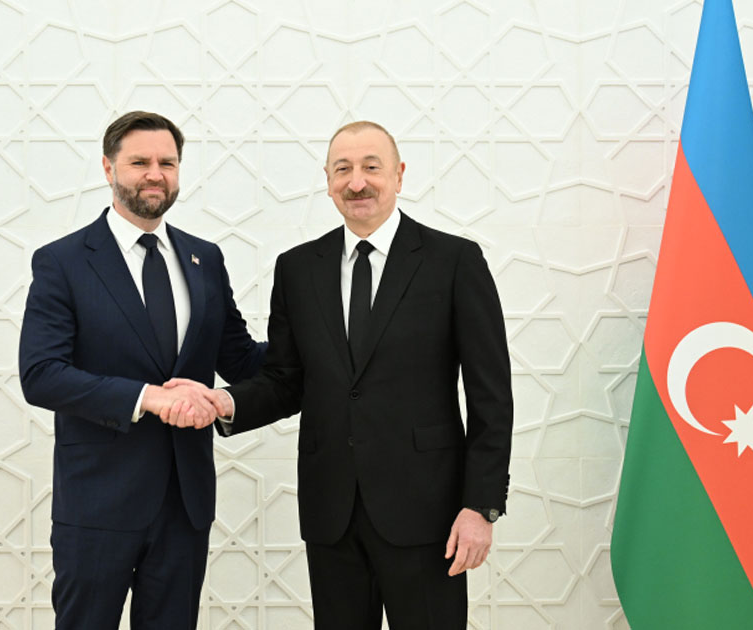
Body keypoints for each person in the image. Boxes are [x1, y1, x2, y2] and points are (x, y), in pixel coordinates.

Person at [166, 121, 513, 629]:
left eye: (372, 167)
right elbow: (287, 379)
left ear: (399, 174)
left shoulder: (454, 261)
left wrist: (481, 506)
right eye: (343, 169)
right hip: (332, 511)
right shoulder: (297, 268)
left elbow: (491, 397)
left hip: (428, 512)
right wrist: (226, 402)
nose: (357, 182)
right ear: (327, 180)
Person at [18, 111, 266, 629]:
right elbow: (41, 374)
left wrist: (321, 337)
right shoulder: (63, 261)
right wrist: (148, 397)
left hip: (184, 504)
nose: (155, 174)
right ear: (108, 168)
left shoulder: (205, 259)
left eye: (167, 163)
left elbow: (241, 360)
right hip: (96, 505)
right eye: (139, 162)